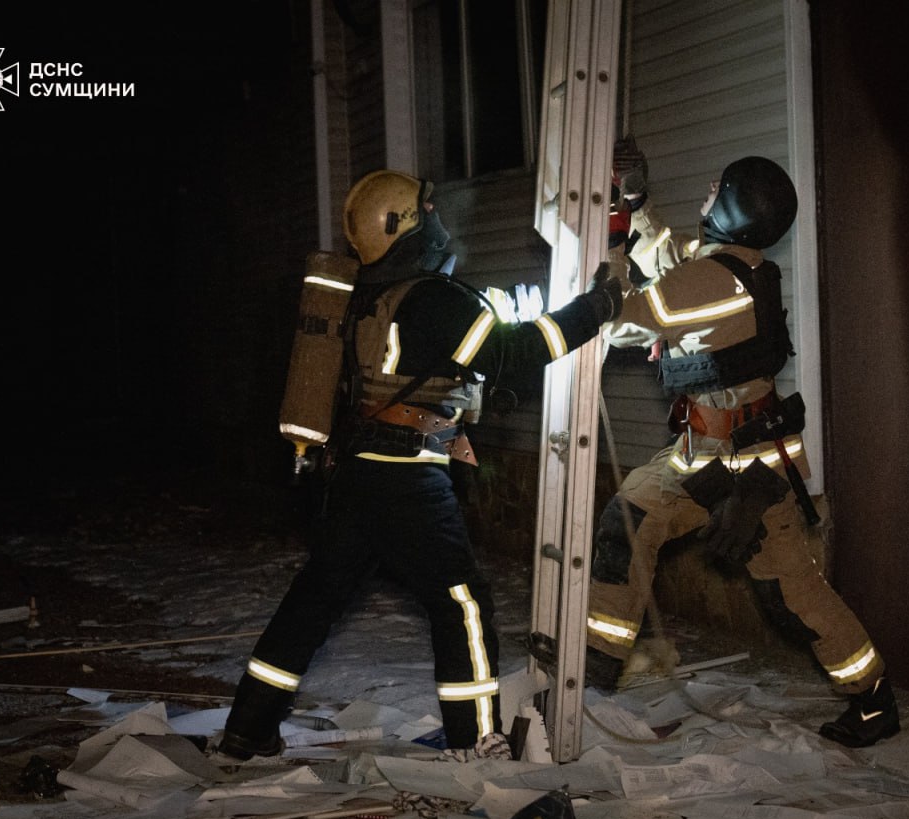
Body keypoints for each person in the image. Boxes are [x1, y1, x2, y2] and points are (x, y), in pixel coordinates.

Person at [219, 169, 624, 760]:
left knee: (316, 598)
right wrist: (597, 307)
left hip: (355, 472)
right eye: (426, 209)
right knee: (461, 602)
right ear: (405, 224)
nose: (437, 215)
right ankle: (476, 740)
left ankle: (248, 726)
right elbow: (512, 353)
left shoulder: (365, 294)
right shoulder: (435, 298)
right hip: (407, 478)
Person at [579, 147, 900, 749]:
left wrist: (613, 246)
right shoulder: (736, 266)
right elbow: (671, 256)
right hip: (710, 455)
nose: (708, 189)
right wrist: (637, 203)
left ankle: (873, 696)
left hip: (741, 473)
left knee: (791, 594)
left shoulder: (709, 281)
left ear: (732, 208)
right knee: (630, 521)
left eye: (717, 188)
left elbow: (621, 322)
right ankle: (592, 673)